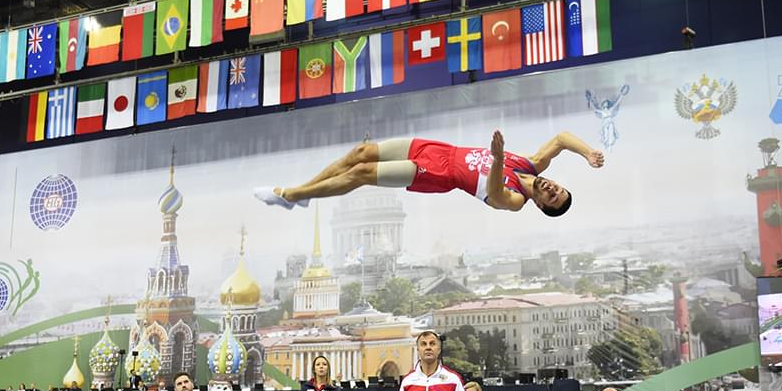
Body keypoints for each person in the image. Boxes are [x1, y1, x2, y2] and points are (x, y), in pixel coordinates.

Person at [253, 130, 603, 217]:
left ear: (541, 205)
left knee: (361, 172)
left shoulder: (517, 200)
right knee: (361, 152)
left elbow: (495, 193)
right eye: (557, 188)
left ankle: (292, 195)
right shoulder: (532, 164)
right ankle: (297, 194)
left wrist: (497, 159)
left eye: (551, 196)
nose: (550, 188)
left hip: (438, 174)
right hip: (440, 149)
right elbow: (559, 140)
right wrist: (587, 153)